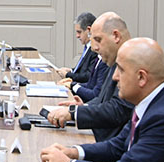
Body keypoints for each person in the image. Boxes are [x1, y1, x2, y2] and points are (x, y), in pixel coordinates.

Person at [47, 12, 134, 142]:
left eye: (98, 40)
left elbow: (117, 109)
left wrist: (74, 113)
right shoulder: (115, 60)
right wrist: (84, 107)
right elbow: (103, 99)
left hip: (109, 142)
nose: (93, 48)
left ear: (116, 36)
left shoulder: (132, 62)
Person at [56, 12, 98, 83]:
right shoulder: (87, 47)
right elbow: (82, 70)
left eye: (79, 32)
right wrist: (71, 70)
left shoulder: (95, 50)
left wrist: (67, 75)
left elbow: (88, 76)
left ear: (89, 30)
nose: (77, 36)